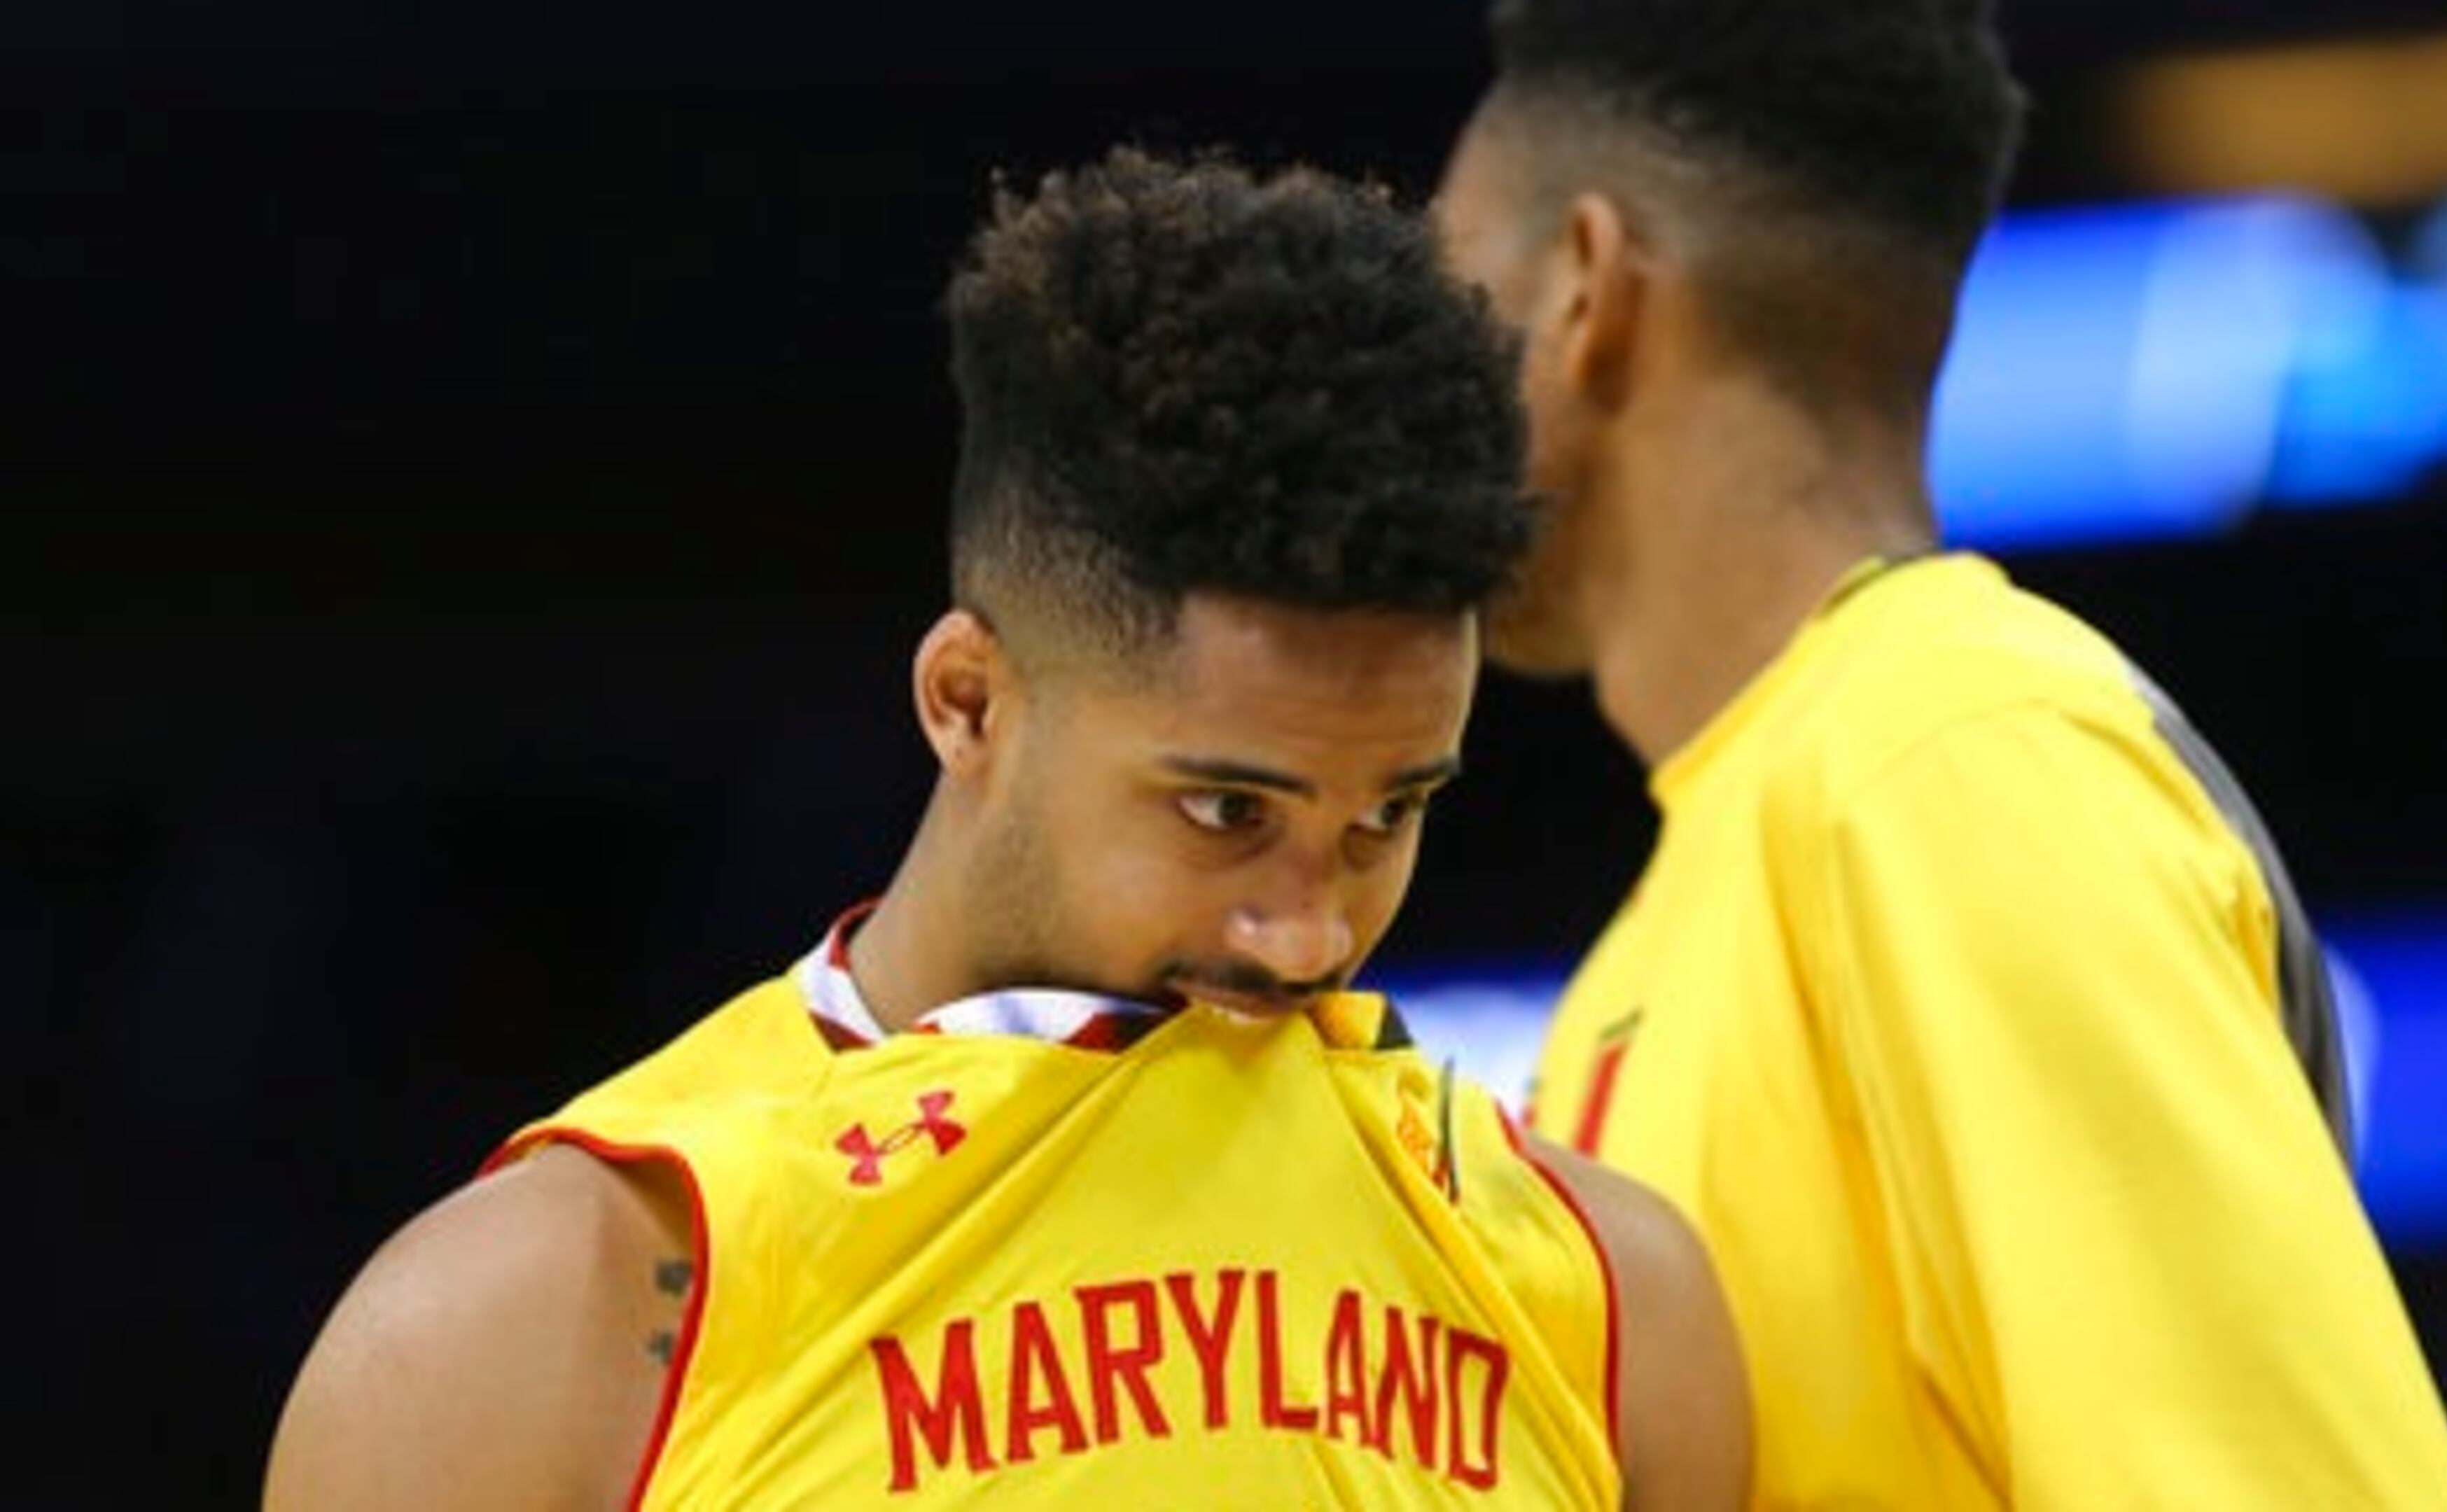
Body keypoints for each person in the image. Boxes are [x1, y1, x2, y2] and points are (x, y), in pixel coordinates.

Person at [263, 148, 1749, 1509]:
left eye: (1392, 814)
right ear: (969, 701)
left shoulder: (1608, 1296)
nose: (1308, 929)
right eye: (1229, 811)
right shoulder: (537, 1323)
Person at [1432, 1, 2447, 1505]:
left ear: (1590, 288)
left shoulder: (1952, 754)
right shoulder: (1722, 871)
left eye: (1457, 297)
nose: (1417, 392)